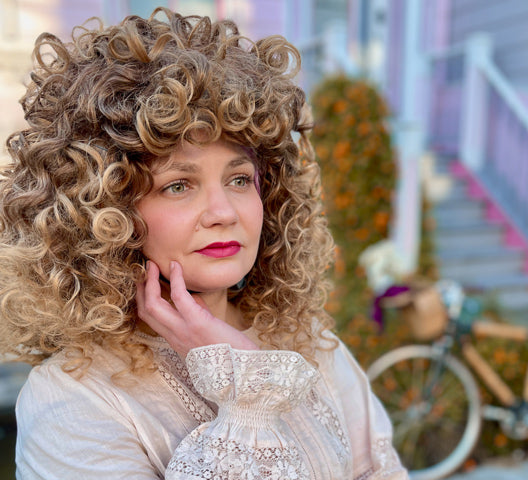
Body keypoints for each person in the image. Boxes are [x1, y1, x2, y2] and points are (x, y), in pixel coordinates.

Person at [0, 8, 408, 480]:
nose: (224, 212)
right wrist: (246, 394)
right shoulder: (72, 397)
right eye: (178, 185)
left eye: (239, 178)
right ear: (103, 213)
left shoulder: (310, 345)